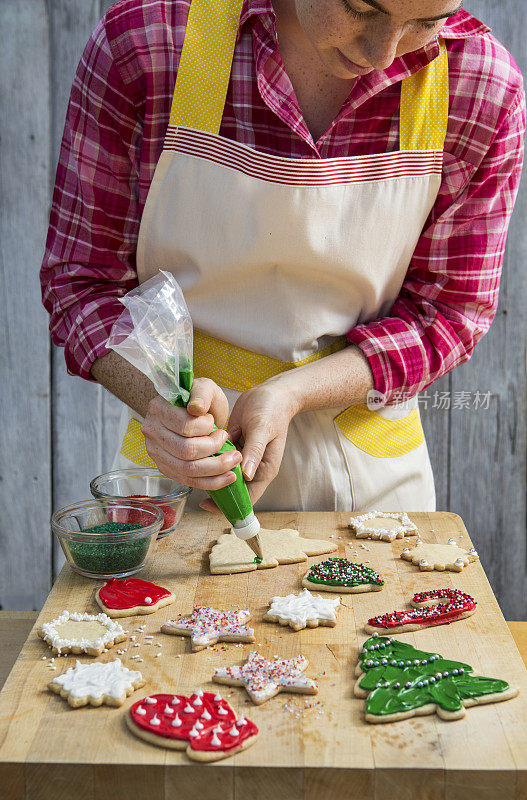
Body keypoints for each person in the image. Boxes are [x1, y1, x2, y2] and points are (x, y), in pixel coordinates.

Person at [40, 0, 525, 515]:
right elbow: (79, 285)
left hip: (370, 484)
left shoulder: (480, 86)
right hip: (181, 473)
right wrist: (162, 405)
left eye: (425, 23)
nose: (382, 55)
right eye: (361, 8)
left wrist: (292, 392)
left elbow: (448, 315)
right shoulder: (151, 43)